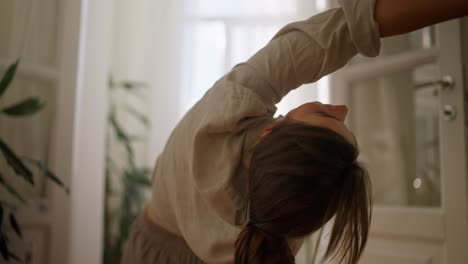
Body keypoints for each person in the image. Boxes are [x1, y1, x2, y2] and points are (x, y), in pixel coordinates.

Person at [121, 0, 468, 263]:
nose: (342, 109)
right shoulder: (287, 223)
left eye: (324, 113)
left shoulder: (221, 117)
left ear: (269, 134)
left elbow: (331, 36)